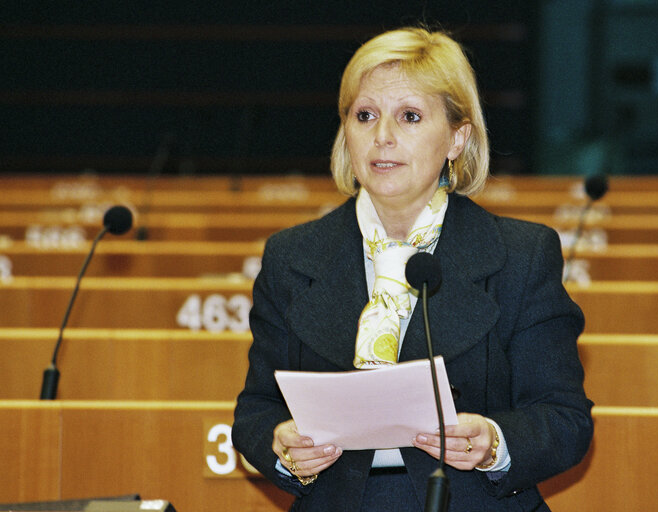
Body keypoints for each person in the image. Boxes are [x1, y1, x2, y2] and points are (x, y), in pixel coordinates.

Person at [232, 27, 593, 511]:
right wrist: (280, 445)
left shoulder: (521, 255)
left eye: (409, 116)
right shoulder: (292, 257)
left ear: (456, 138)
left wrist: (494, 443)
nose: (382, 136)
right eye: (365, 115)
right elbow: (255, 411)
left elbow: (565, 419)